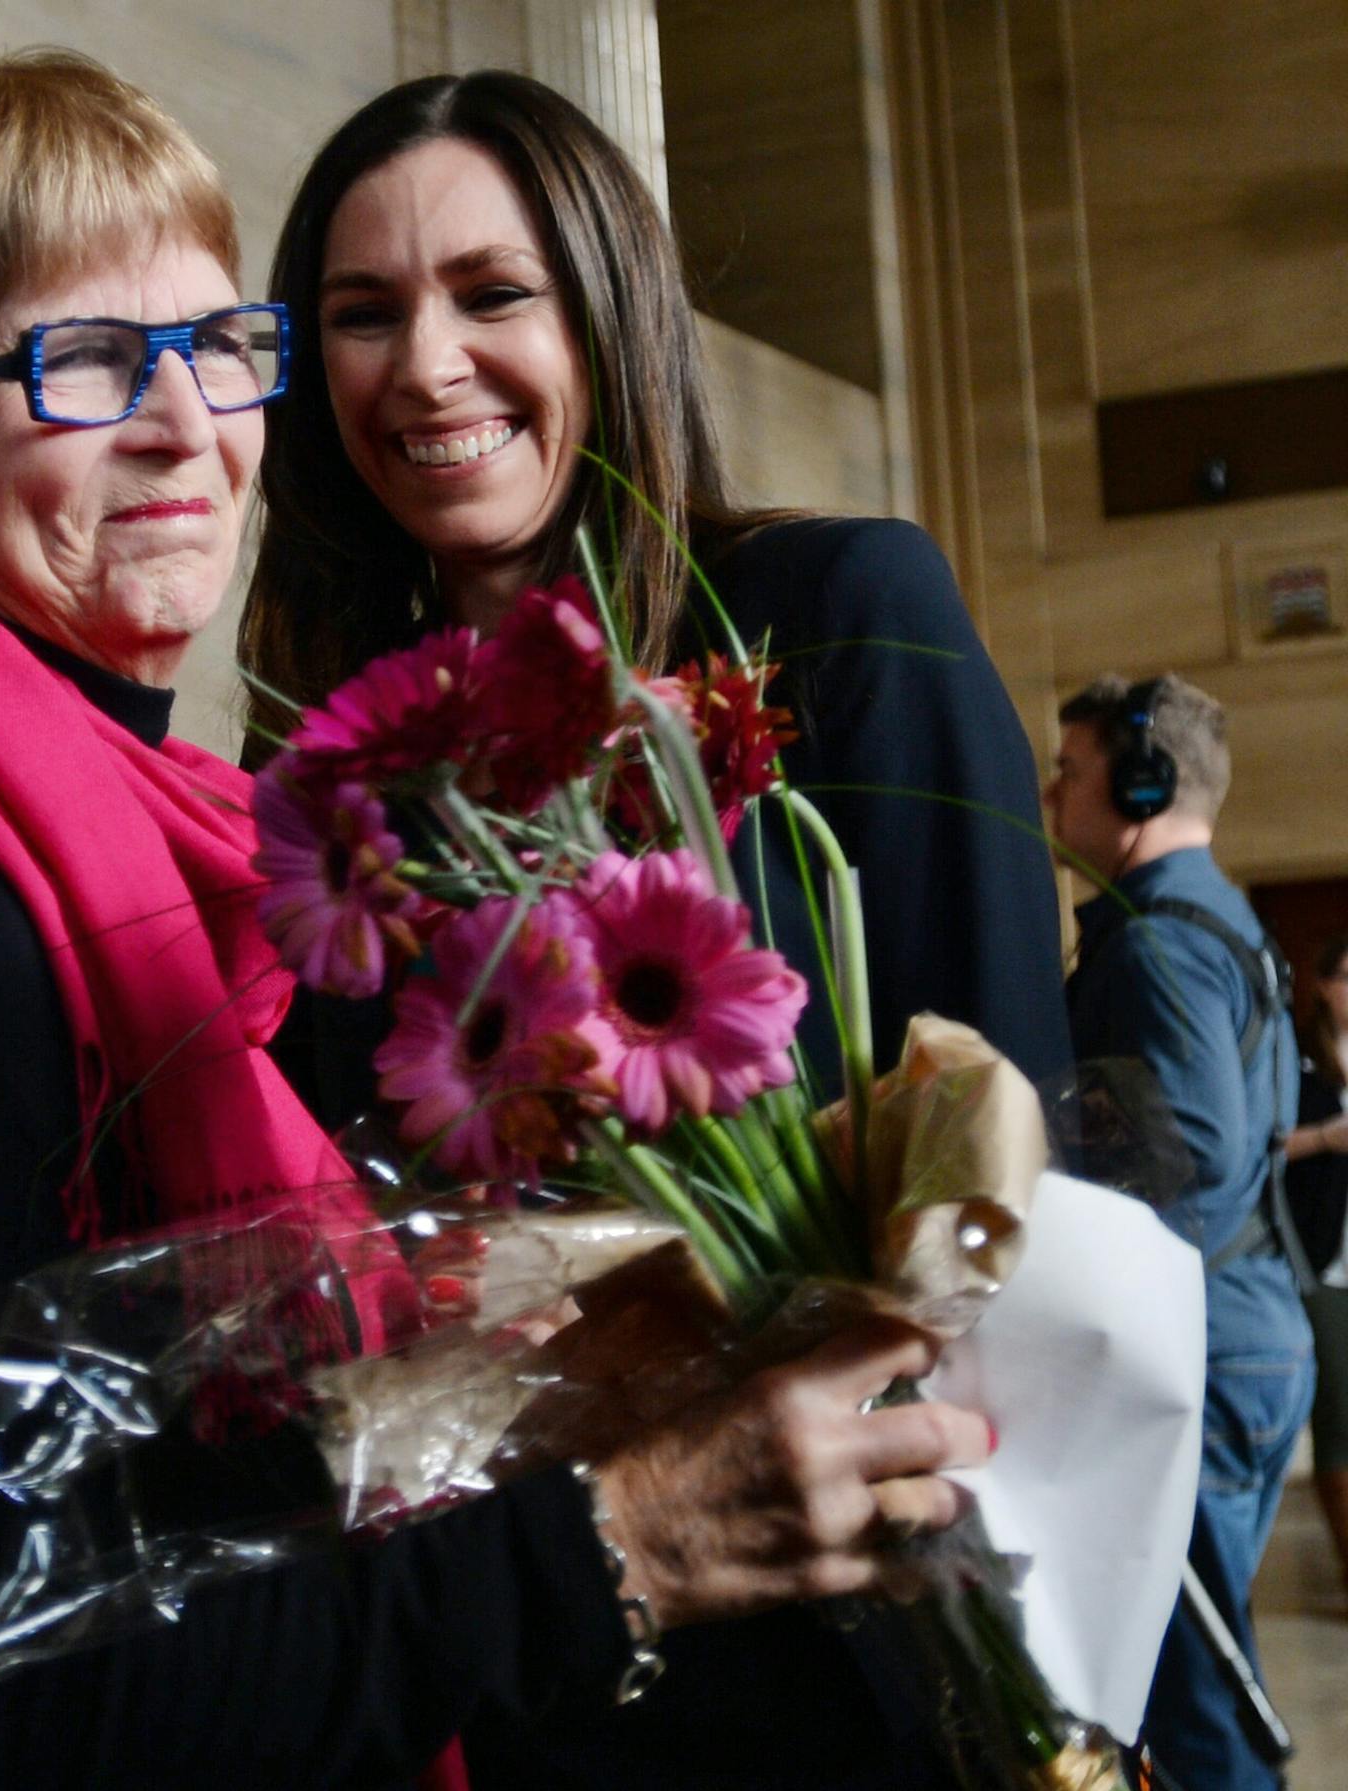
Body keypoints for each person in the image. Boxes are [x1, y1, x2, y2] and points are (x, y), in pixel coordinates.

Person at [0, 51, 989, 1791]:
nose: (187, 426)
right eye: (84, 364)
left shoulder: (157, 859)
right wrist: (617, 1543)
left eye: (218, 350)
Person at [239, 70, 1069, 1788]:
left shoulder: (841, 615)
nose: (426, 364)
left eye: (492, 293)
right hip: (537, 1637)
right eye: (364, 313)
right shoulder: (331, 771)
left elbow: (1020, 1151)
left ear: (607, 311)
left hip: (873, 1627)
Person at [1047, 671, 1313, 1791]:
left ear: (1142, 784)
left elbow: (1192, 1152)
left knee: (1199, 1703)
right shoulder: (1225, 918)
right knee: (1209, 1674)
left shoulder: (1159, 943)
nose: (1053, 796)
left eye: (1071, 773)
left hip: (1208, 1342)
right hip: (1254, 1326)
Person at [1285, 933, 1348, 1592]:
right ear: (1325, 985)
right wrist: (1329, 1137)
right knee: (1339, 1412)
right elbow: (1264, 1147)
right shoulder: (1299, 1060)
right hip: (1326, 1261)